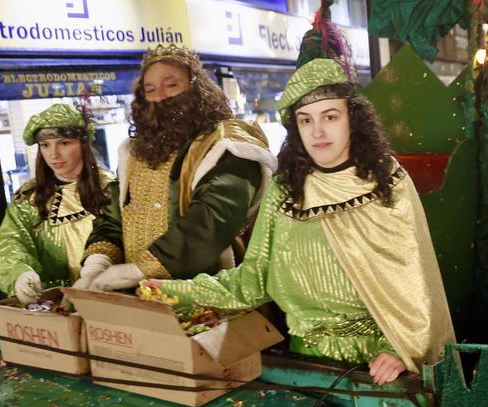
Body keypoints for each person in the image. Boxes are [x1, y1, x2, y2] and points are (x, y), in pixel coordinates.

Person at [151, 58, 454, 384]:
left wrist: (398, 350)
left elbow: (416, 289)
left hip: (376, 370)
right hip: (304, 368)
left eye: (330, 117)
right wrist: (169, 293)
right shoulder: (286, 191)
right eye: (305, 120)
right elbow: (252, 282)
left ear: (352, 118)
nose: (318, 132)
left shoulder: (386, 183)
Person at [75, 44, 276, 291]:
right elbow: (114, 218)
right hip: (138, 302)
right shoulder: (134, 153)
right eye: (150, 89)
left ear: (197, 89)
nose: (160, 96)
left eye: (172, 85)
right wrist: (98, 265)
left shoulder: (227, 146)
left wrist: (137, 270)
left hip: (210, 297)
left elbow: (211, 221)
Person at [0, 104, 116, 304]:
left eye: (64, 143)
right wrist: (20, 273)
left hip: (111, 303)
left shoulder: (112, 190)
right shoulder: (29, 200)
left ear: (83, 145)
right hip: (52, 306)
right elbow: (10, 242)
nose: (54, 155)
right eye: (45, 145)